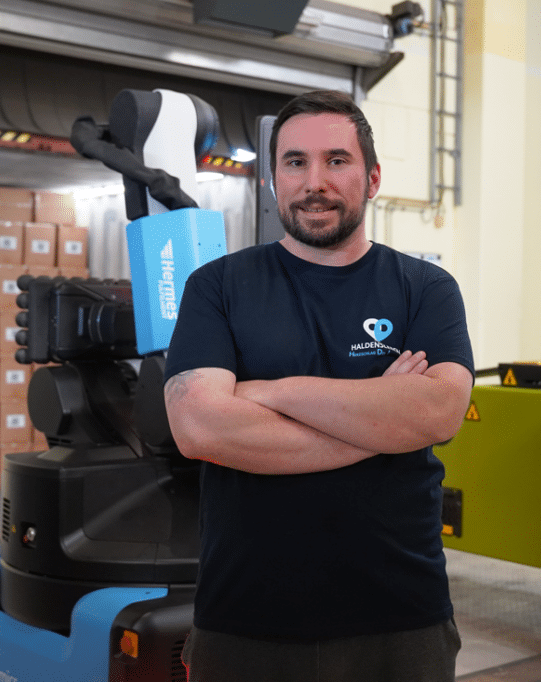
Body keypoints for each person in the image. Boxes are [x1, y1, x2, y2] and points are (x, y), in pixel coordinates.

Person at [162, 89, 475, 682]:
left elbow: (437, 413)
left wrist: (267, 393)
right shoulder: (218, 286)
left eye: (337, 160)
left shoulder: (426, 288)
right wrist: (383, 422)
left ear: (373, 177)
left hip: (400, 618)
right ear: (272, 180)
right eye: (295, 162)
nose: (315, 181)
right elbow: (199, 425)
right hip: (246, 619)